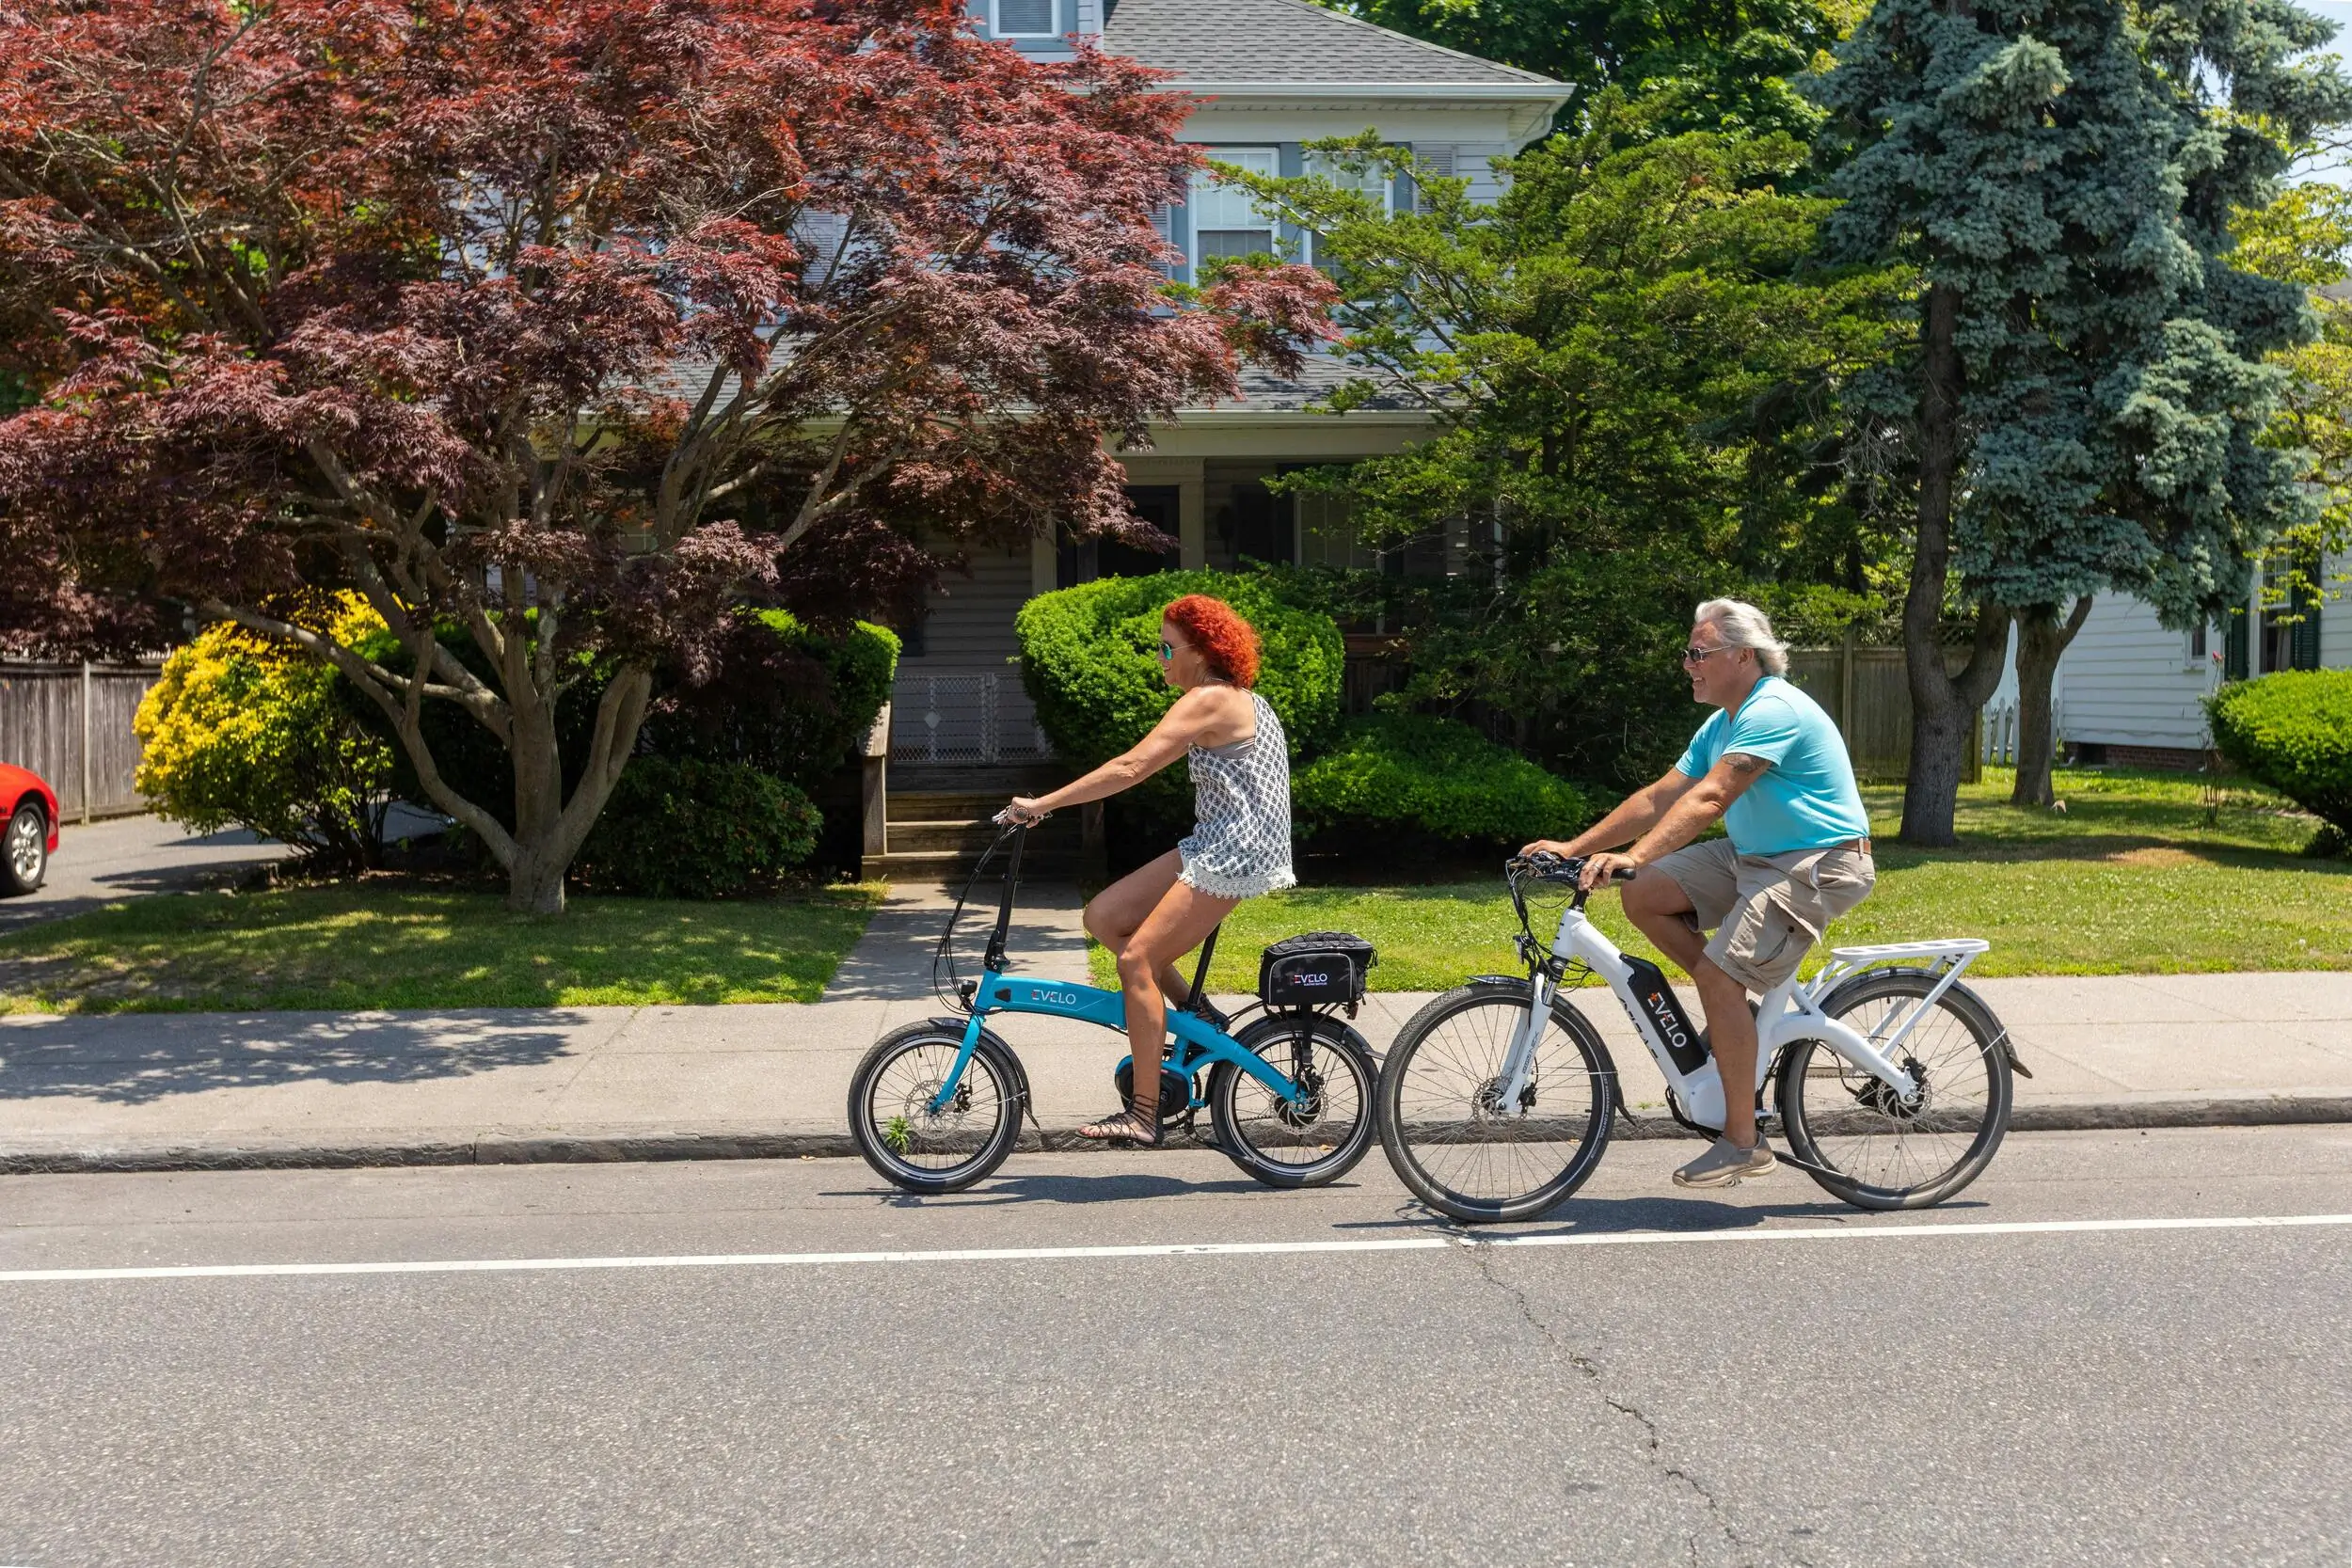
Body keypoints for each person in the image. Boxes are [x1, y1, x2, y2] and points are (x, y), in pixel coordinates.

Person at [1525, 598, 1874, 1189]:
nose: (1689, 664)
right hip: (1755, 858)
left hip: (1820, 862)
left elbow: (1711, 800)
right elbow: (1660, 798)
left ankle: (1743, 1142)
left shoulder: (1773, 710)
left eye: (1698, 652)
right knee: (1644, 894)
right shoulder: (1724, 722)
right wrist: (1574, 848)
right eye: (1689, 653)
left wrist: (1632, 855)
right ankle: (1732, 1005)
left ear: (1743, 655)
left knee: (1716, 975)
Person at [1004, 594, 1295, 1147]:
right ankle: (1197, 1015)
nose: (1160, 658)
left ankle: (1142, 1113)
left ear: (1201, 650)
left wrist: (1042, 804)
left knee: (1137, 958)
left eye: (1167, 647)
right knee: (1106, 917)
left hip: (1235, 849)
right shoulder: (1227, 698)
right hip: (1215, 840)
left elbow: (1132, 766)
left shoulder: (1211, 698)